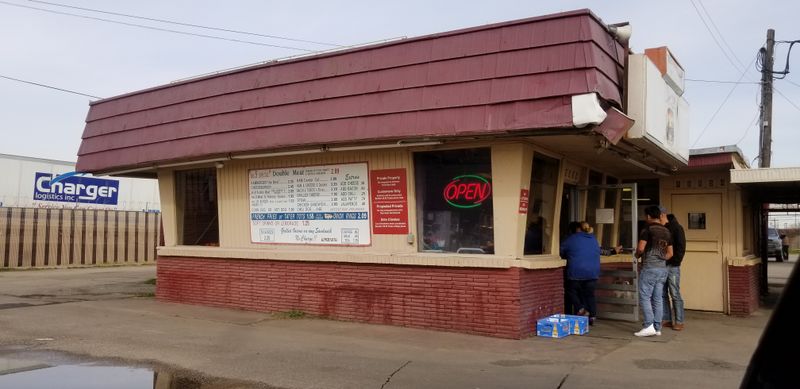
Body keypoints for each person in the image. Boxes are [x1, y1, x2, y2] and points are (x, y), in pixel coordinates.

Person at [634, 205, 673, 337]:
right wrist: (661, 259)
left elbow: (640, 248)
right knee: (657, 298)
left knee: (645, 296)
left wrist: (637, 255)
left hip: (650, 267)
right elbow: (670, 253)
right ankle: (657, 328)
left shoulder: (647, 230)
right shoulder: (667, 232)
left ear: (649, 216)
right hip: (662, 269)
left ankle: (648, 325)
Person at [560, 221, 601, 325]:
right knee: (590, 295)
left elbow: (560, 251)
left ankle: (580, 309)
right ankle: (592, 317)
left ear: (576, 229)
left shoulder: (571, 239)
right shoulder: (593, 239)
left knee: (570, 290)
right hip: (592, 273)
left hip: (576, 272)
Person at [660, 209, 686, 331]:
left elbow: (681, 247)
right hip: (663, 264)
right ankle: (667, 319)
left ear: (663, 216)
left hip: (672, 266)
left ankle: (679, 321)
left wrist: (675, 261)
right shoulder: (662, 228)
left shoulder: (677, 228)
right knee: (663, 293)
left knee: (674, 293)